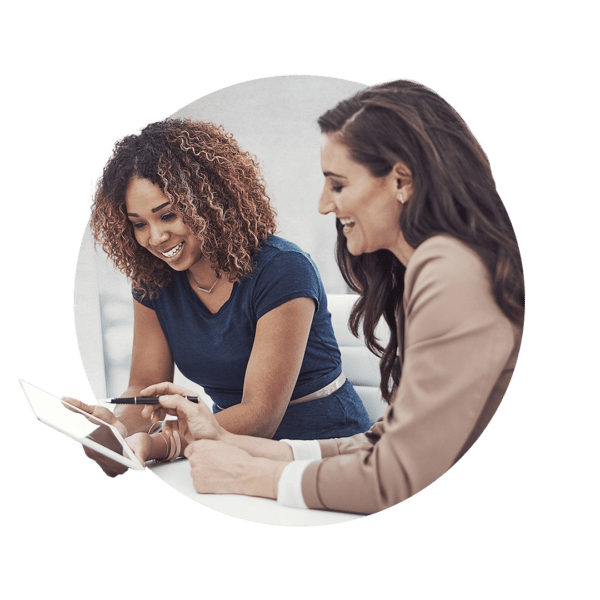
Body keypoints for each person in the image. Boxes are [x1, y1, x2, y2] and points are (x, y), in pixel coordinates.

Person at [139, 78, 525, 514]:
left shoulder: (451, 273)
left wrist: (248, 474)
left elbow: (394, 479)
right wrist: (226, 440)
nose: (324, 205)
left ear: (401, 181)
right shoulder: (434, 267)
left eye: (338, 185)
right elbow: (385, 443)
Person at [65, 118, 370, 477]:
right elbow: (142, 388)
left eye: (169, 215)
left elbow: (261, 417)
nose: (156, 237)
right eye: (139, 223)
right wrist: (118, 434)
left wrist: (160, 444)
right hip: (223, 450)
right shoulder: (153, 279)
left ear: (210, 204)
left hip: (325, 452)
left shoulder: (283, 269)